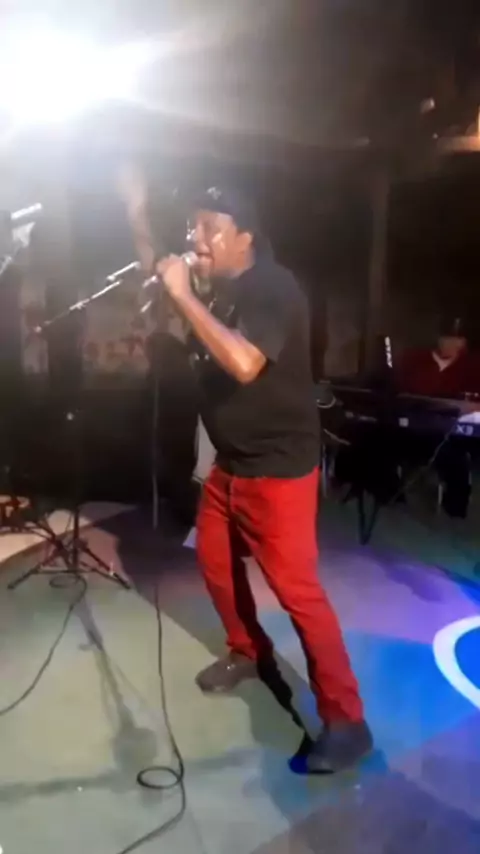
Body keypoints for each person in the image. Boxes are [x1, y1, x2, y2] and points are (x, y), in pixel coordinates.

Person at [153, 186, 373, 773]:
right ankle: (248, 651)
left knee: (298, 593)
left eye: (210, 227)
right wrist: (180, 299)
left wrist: (183, 296)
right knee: (215, 566)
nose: (196, 238)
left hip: (277, 469)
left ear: (245, 237)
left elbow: (247, 363)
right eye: (193, 227)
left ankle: (348, 722)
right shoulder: (221, 293)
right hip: (232, 464)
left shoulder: (274, 287)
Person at [396, 317, 478, 518]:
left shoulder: (473, 366)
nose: (450, 344)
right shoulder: (416, 360)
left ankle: (455, 506)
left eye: (457, 340)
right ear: (438, 339)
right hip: (414, 425)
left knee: (455, 455)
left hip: (454, 430)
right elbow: (400, 392)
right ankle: (393, 493)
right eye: (446, 338)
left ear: (464, 343)